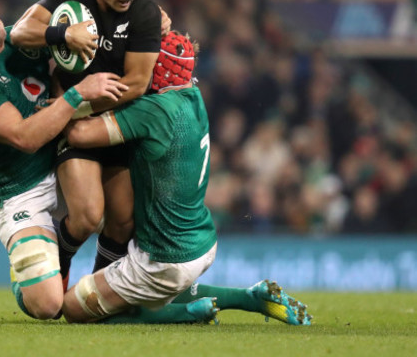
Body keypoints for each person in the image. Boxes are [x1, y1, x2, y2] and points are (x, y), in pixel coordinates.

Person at [60, 31, 312, 325]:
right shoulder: (193, 96)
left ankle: (188, 314)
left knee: (74, 308)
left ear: (158, 68)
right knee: (155, 291)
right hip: (201, 243)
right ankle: (250, 297)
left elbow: (79, 134)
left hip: (165, 257)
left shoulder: (154, 111)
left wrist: (70, 97)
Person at [0, 0, 128, 320]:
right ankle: (25, 278)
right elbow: (25, 137)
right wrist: (77, 94)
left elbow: (78, 20)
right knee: (48, 306)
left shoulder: (22, 37)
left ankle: (102, 274)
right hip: (19, 192)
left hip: (61, 158)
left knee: (98, 213)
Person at [10, 0, 171, 281]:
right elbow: (21, 33)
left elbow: (138, 83)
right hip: (73, 124)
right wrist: (64, 34)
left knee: (123, 221)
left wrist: (80, 108)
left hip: (113, 120)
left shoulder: (144, 13)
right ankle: (61, 266)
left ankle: (100, 288)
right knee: (86, 216)